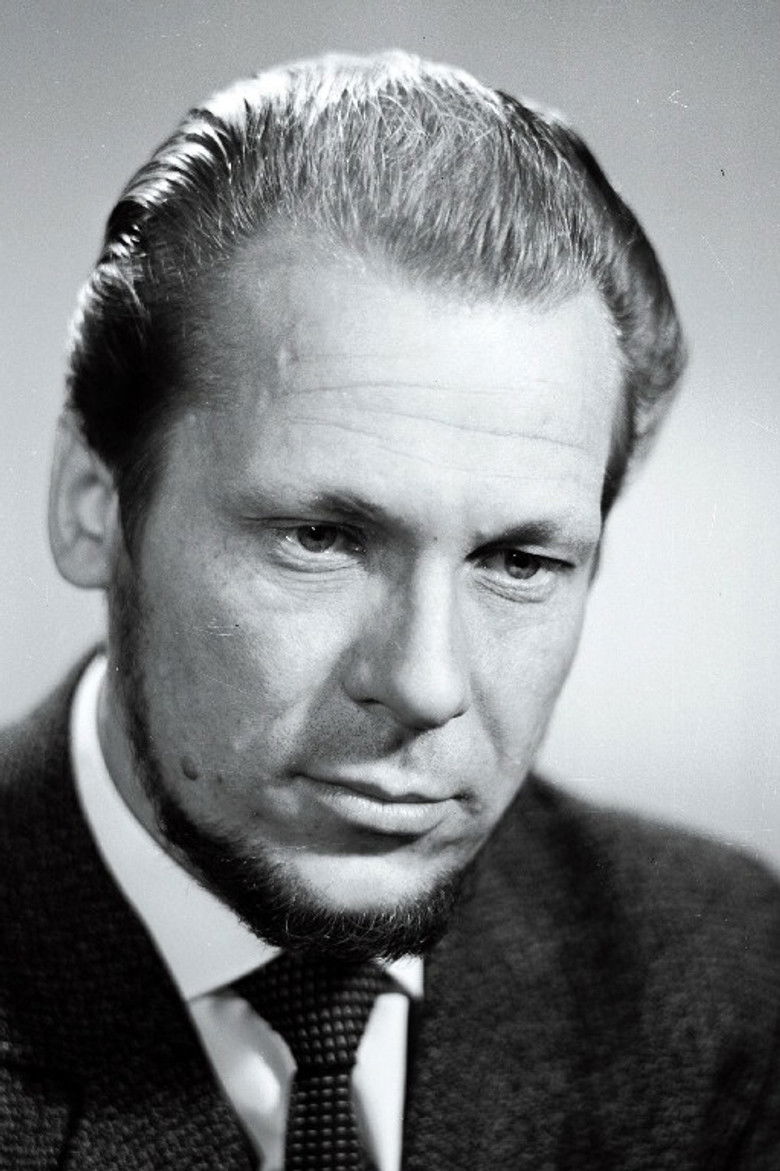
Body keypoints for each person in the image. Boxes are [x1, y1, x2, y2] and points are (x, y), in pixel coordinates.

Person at [1, 51, 778, 1171]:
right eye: (320, 537)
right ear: (92, 502)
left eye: (518, 561)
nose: (425, 683)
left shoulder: (727, 977)